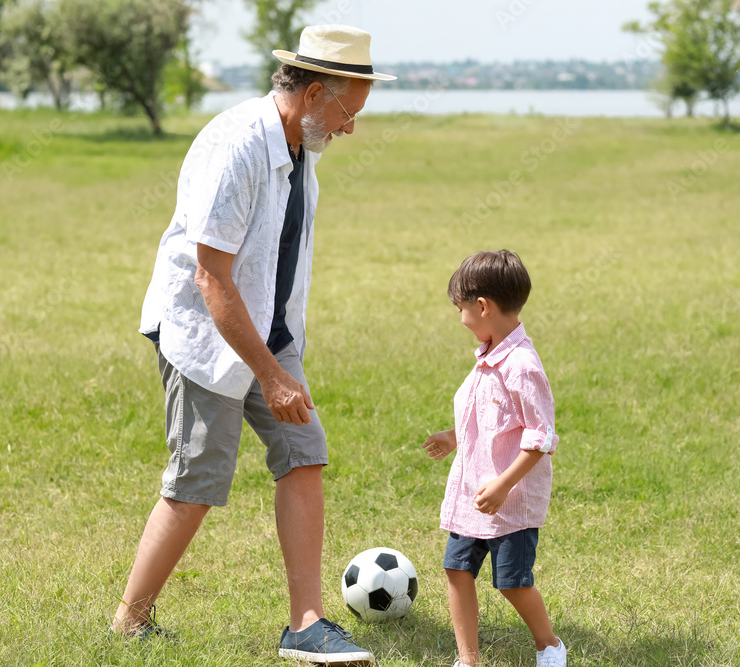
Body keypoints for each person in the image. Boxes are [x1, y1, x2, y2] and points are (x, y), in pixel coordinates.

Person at [112, 25, 395, 665]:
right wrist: (270, 377)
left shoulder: (301, 146)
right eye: (350, 112)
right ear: (316, 91)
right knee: (197, 479)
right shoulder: (238, 145)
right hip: (207, 332)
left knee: (303, 452)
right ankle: (129, 623)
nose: (351, 129)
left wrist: (278, 362)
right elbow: (210, 276)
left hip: (269, 331)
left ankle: (306, 625)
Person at [423, 250, 567, 667]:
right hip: (474, 492)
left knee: (512, 582)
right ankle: (468, 659)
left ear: (482, 306)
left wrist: (504, 484)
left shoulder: (521, 366)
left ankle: (549, 646)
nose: (461, 319)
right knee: (457, 569)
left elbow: (540, 437)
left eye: (461, 309)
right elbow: (490, 418)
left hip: (509, 501)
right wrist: (455, 436)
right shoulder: (487, 355)